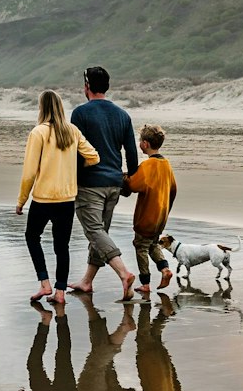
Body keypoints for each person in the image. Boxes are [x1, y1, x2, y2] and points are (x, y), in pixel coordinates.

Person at [16, 90, 100, 304]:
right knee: (62, 246)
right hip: (66, 200)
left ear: (41, 108)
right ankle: (60, 292)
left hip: (43, 199)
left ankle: (44, 283)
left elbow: (29, 173)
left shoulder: (38, 132)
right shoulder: (72, 131)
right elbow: (93, 157)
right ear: (61, 107)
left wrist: (21, 201)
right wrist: (71, 169)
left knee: (32, 237)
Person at [68, 65, 138, 296]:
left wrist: (71, 179)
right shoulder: (122, 115)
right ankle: (87, 281)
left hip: (90, 183)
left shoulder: (80, 113)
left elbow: (76, 151)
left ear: (86, 86)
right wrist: (129, 177)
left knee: (95, 231)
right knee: (101, 233)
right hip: (114, 182)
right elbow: (131, 153)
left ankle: (124, 273)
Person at [123, 124, 178, 293]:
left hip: (146, 216)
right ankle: (165, 270)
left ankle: (145, 283)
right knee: (153, 244)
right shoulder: (166, 164)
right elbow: (173, 189)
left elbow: (133, 185)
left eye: (140, 141)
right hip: (161, 216)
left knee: (140, 246)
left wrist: (124, 178)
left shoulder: (147, 166)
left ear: (145, 144)